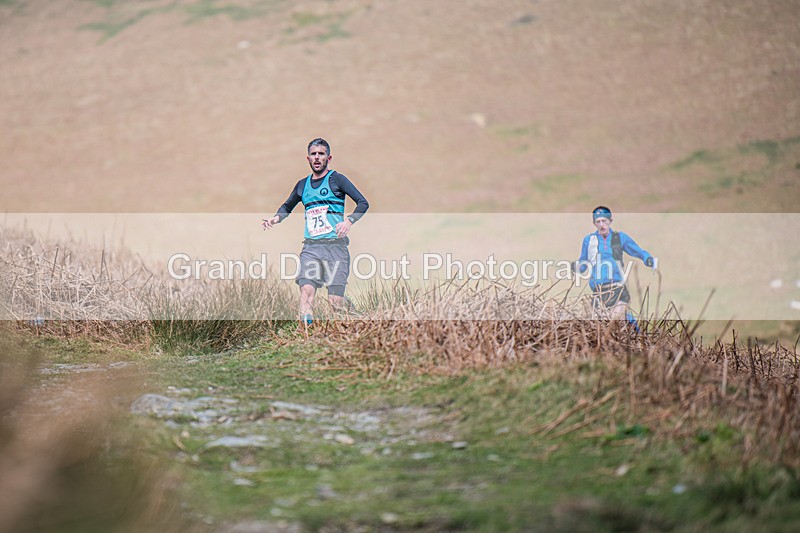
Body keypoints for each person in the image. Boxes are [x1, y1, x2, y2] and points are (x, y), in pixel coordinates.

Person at [262, 138, 369, 326]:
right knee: (306, 294)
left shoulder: (337, 179)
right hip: (311, 248)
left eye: (321, 154)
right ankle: (307, 336)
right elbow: (287, 206)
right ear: (308, 158)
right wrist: (276, 218)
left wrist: (349, 221)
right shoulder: (302, 185)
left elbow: (363, 202)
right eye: (313, 154)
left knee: (335, 303)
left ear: (329, 157)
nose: (317, 158)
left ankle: (354, 313)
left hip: (336, 248)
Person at [575, 206, 656, 329]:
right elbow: (583, 263)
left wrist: (648, 259)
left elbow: (637, 251)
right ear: (594, 223)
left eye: (604, 221)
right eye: (598, 222)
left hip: (617, 289)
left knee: (613, 323)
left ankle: (639, 337)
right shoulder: (588, 240)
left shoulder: (620, 237)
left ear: (610, 221)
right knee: (603, 326)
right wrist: (574, 267)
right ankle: (635, 330)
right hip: (598, 292)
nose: (602, 225)